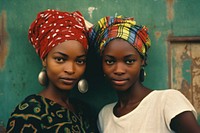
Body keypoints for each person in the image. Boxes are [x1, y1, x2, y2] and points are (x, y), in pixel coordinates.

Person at [89, 16, 200, 133]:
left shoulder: (167, 102)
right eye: (110, 61)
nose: (119, 70)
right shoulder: (105, 116)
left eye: (129, 61)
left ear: (142, 61)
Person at [6, 9, 97, 132]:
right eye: (60, 59)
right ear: (44, 59)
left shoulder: (84, 111)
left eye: (79, 61)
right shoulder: (29, 113)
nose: (70, 70)